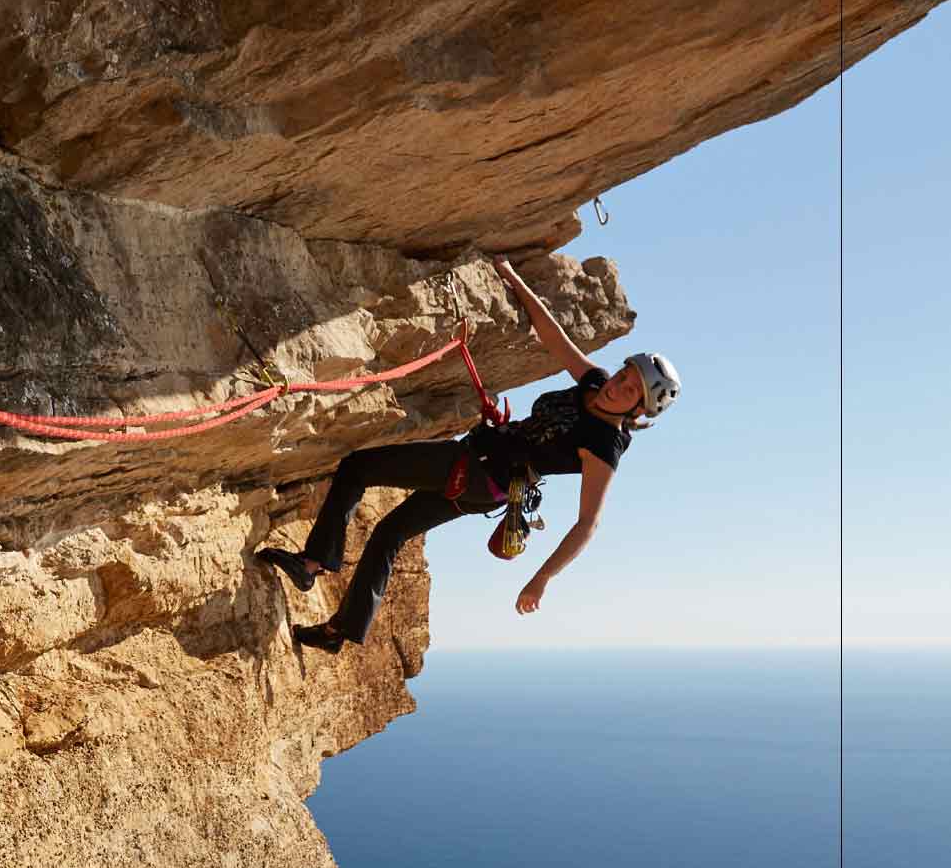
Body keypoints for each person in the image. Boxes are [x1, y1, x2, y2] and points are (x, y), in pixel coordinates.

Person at [259, 257, 677, 651]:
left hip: (475, 471)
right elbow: (554, 338)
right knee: (389, 533)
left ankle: (313, 561)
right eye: (625, 374)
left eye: (631, 388)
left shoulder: (604, 444)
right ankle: (339, 631)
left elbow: (588, 523)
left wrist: (541, 579)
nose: (619, 383)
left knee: (357, 467)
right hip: (483, 481)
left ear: (639, 408)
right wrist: (512, 278)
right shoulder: (593, 382)